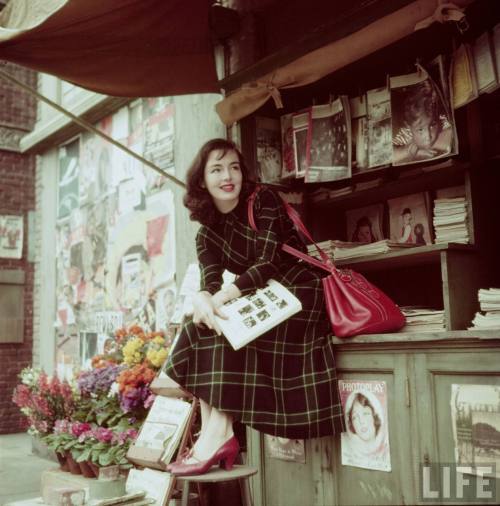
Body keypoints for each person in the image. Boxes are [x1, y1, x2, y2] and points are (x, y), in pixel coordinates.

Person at [164, 138, 345, 476]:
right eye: (216, 169)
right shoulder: (206, 233)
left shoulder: (262, 199)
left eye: (233, 166)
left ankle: (216, 436)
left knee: (224, 328)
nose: (227, 176)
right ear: (202, 180)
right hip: (263, 296)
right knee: (201, 326)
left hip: (298, 292)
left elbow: (268, 263)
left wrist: (219, 298)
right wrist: (204, 300)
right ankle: (216, 434)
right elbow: (210, 282)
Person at [392, 81, 453, 164]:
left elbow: (451, 134)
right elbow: (389, 155)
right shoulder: (406, 133)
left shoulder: (441, 120)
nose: (428, 136)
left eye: (432, 125)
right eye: (420, 130)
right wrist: (412, 152)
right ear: (409, 126)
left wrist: (434, 144)